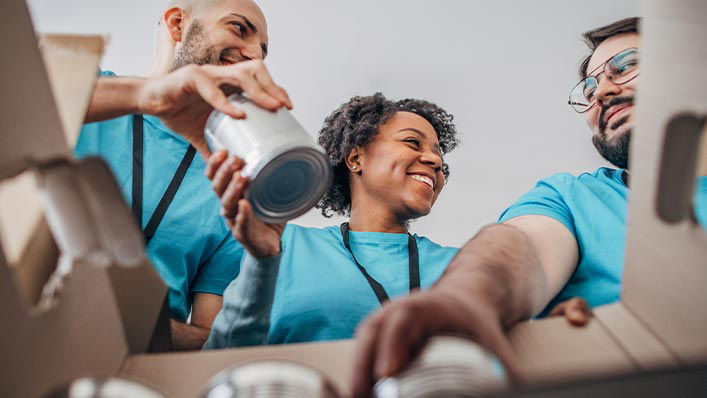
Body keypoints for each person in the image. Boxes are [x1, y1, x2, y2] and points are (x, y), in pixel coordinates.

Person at [350, 17, 707, 397]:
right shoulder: (571, 197)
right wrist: (467, 298)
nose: (601, 91)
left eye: (625, 66)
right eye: (589, 88)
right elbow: (522, 245)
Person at [77, 0, 292, 350]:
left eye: (263, 52)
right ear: (177, 24)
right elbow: (21, 107)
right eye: (239, 28)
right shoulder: (86, 91)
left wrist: (128, 326)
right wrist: (144, 95)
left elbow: (212, 340)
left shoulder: (230, 183)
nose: (255, 57)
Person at [201, 93, 461, 348]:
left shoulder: (462, 264)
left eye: (438, 155)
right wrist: (262, 262)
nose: (435, 161)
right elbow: (221, 357)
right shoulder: (284, 246)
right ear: (355, 158)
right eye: (412, 142)